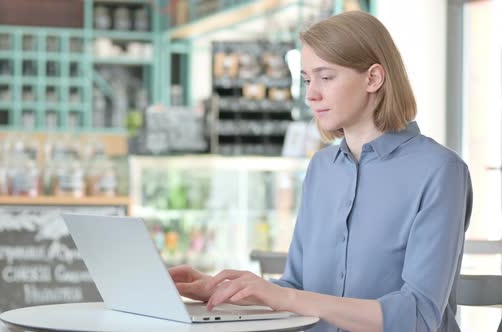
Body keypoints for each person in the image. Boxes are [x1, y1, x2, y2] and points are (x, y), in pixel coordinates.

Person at [168, 10, 473, 332]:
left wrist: (284, 297)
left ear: (373, 78)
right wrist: (223, 291)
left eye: (326, 77)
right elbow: (297, 286)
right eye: (306, 79)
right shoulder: (322, 168)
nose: (311, 94)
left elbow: (418, 317)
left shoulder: (440, 171)